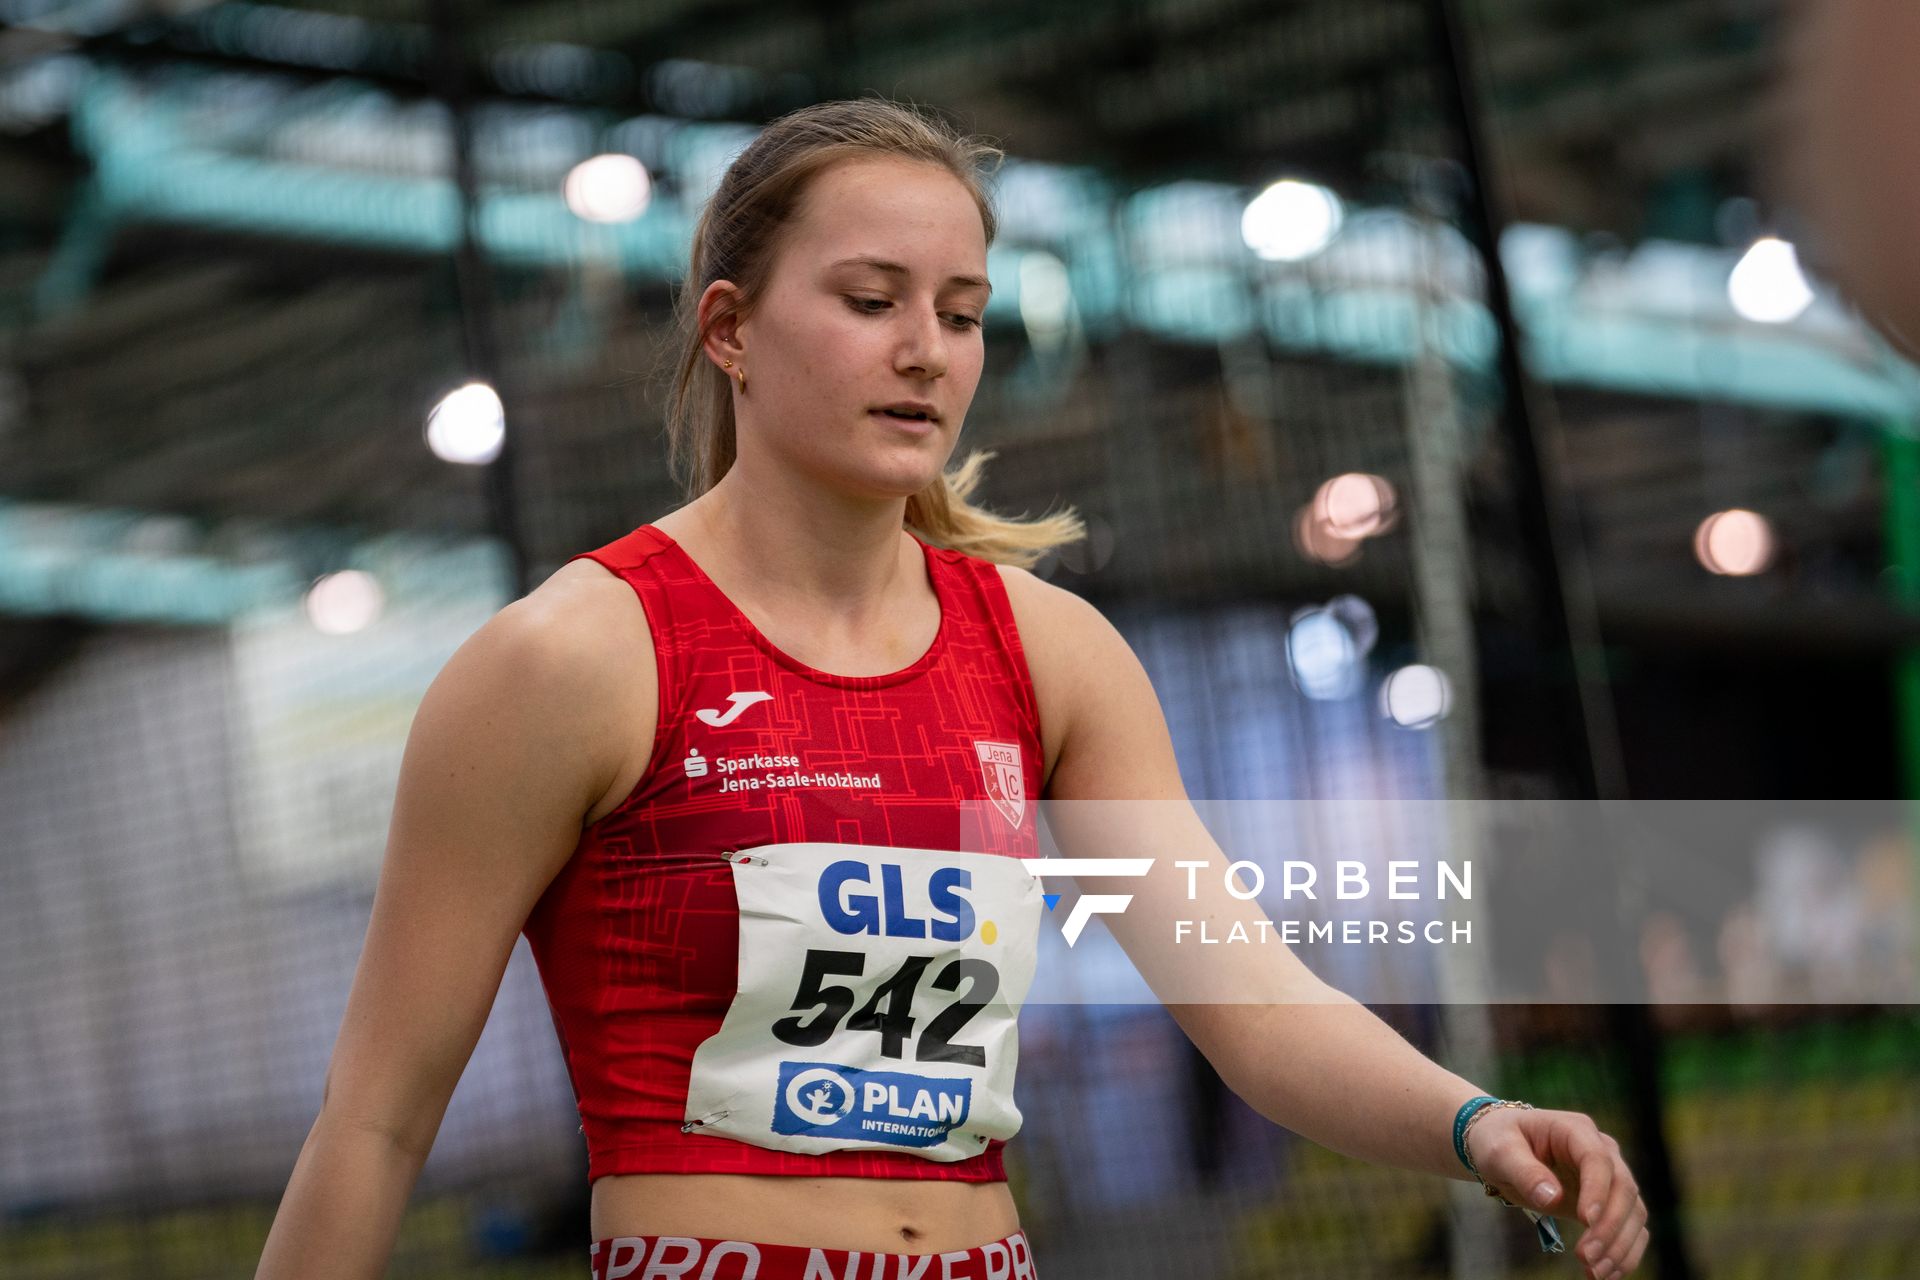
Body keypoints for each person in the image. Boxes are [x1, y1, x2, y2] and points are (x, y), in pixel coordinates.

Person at [255, 97, 1649, 1280]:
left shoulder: (1046, 652)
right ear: (730, 329)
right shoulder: (573, 658)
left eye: (963, 313)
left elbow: (1254, 1002)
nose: (926, 348)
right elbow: (376, 1121)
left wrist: (1476, 1125)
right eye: (871, 302)